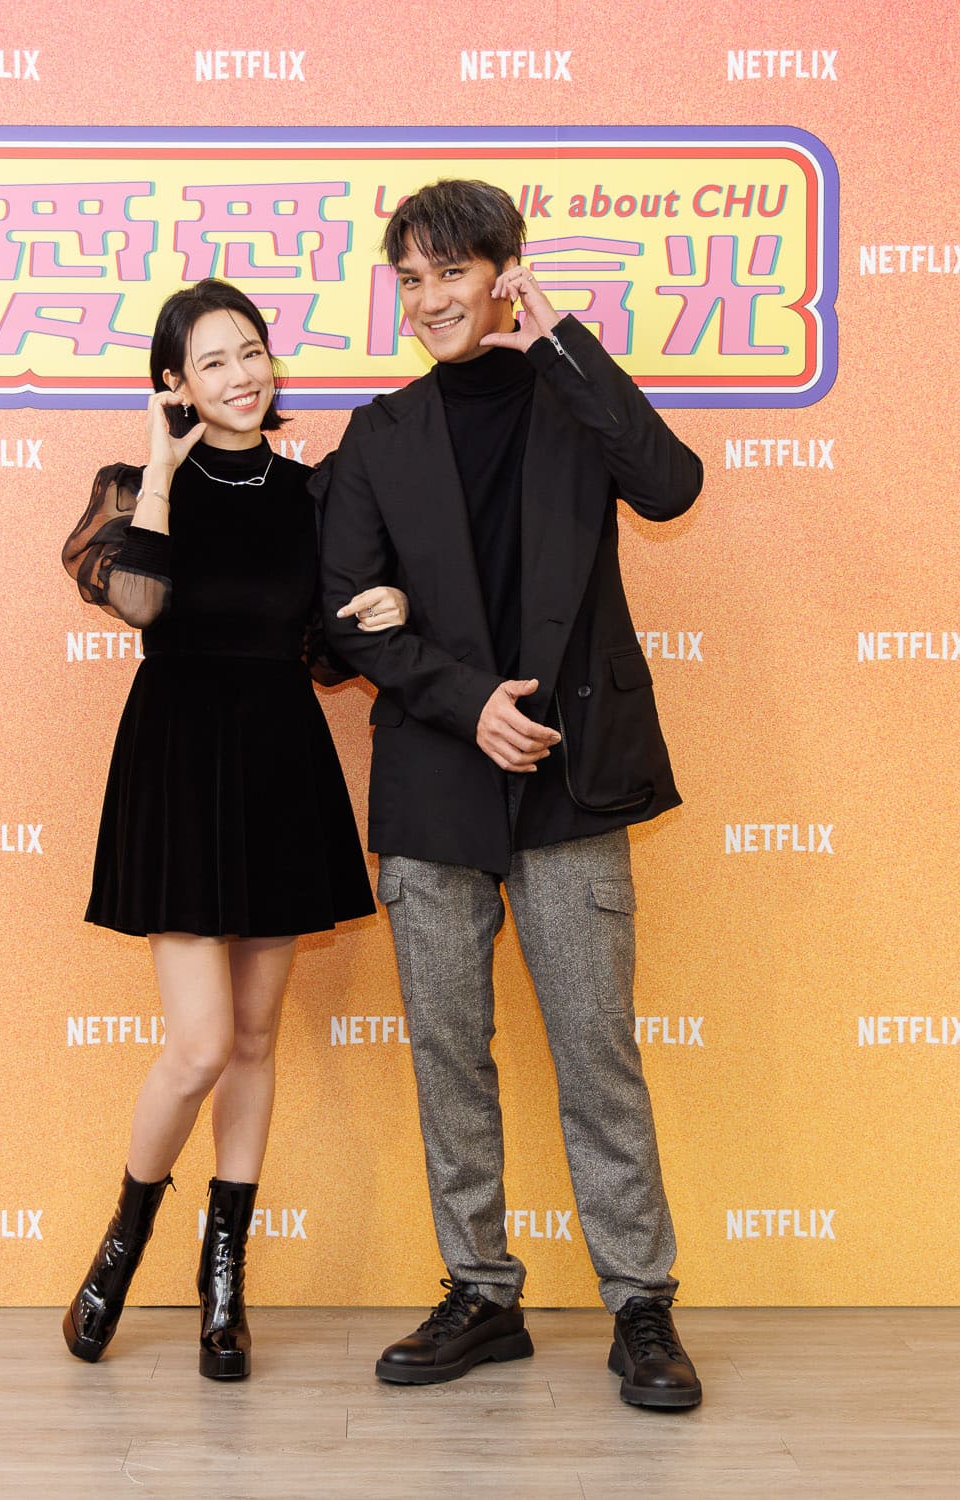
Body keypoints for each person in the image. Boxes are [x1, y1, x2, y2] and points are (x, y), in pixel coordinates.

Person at [316, 180, 706, 1408]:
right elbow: (346, 615)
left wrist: (566, 346)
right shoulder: (378, 436)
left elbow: (670, 486)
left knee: (596, 1052)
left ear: (504, 274)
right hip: (435, 777)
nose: (428, 299)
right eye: (409, 280)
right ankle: (480, 1292)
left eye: (451, 272)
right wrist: (463, 697)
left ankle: (639, 1305)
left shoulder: (568, 400)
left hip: (569, 778)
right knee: (447, 1052)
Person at [59, 278, 406, 1380]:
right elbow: (140, 603)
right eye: (212, 361)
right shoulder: (137, 489)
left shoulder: (313, 494)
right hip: (177, 764)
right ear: (173, 383)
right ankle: (123, 1241)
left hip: (278, 763)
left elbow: (328, 646)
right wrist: (163, 468)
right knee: (200, 1043)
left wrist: (387, 610)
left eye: (250, 351)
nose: (241, 375)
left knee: (254, 1040)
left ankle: (225, 1282)